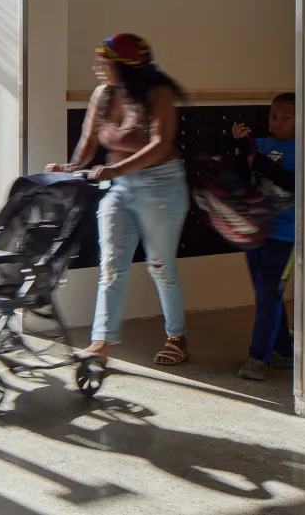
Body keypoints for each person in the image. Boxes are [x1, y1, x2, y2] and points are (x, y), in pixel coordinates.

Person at [47, 33, 191, 366]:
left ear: (126, 67)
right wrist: (69, 168)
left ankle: (177, 337)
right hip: (119, 187)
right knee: (111, 266)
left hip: (161, 186)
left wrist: (114, 170)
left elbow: (158, 143)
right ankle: (101, 343)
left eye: (105, 62)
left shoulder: (158, 93)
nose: (98, 68)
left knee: (160, 266)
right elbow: (88, 142)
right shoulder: (102, 94)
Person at [231, 93, 297, 380]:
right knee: (265, 292)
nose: (277, 123)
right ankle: (283, 350)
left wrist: (260, 162)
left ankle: (259, 357)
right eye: (273, 116)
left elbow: (294, 184)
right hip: (255, 230)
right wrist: (236, 142)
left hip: (284, 234)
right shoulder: (260, 145)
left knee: (268, 294)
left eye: (286, 117)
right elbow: (240, 173)